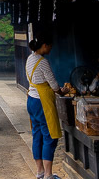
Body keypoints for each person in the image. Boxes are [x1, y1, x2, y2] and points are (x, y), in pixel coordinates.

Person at [26, 36, 62, 179]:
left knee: (37, 135)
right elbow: (53, 84)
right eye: (50, 46)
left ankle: (40, 171)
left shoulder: (30, 59)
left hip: (31, 100)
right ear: (45, 45)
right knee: (50, 136)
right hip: (42, 102)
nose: (51, 48)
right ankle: (48, 175)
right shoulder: (43, 62)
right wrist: (61, 91)